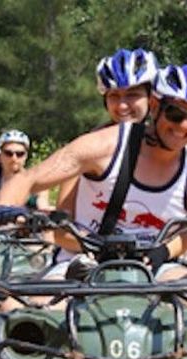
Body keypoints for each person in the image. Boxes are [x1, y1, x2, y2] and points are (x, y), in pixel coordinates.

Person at [0, 63, 187, 299]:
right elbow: (28, 179)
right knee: (23, 309)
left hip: (159, 266)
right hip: (82, 260)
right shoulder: (103, 145)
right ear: (155, 107)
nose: (184, 126)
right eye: (175, 114)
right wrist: (6, 210)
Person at [55, 48, 159, 240]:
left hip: (152, 258)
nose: (122, 106)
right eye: (114, 96)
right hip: (91, 255)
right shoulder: (87, 147)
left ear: (152, 99)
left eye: (132, 95)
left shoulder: (171, 148)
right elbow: (62, 226)